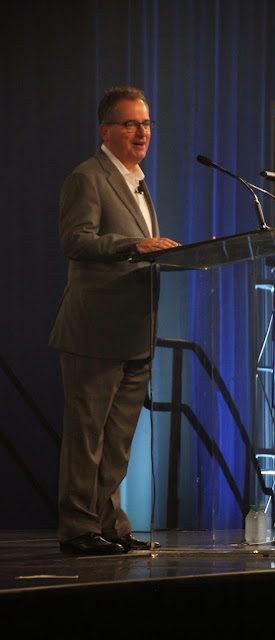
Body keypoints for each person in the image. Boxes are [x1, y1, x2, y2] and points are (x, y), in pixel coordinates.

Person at [49, 86, 179, 555]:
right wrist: (134, 245)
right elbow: (75, 240)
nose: (142, 132)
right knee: (87, 437)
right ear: (105, 130)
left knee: (119, 440)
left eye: (146, 124)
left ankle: (110, 525)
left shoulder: (137, 181)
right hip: (94, 331)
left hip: (135, 332)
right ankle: (78, 528)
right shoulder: (87, 177)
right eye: (130, 124)